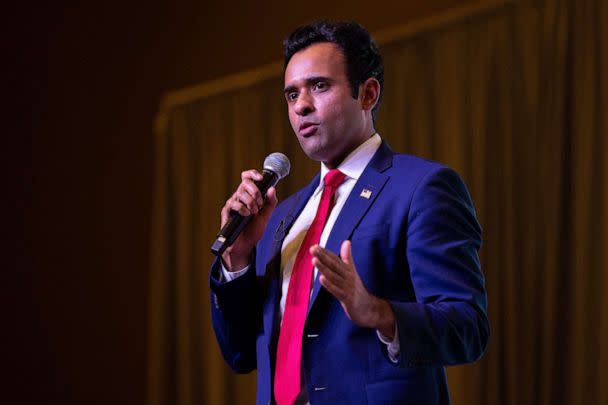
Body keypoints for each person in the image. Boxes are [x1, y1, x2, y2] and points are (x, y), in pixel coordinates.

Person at [209, 20, 489, 405]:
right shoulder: (283, 214)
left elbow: (468, 329)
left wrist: (380, 313)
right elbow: (241, 353)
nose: (301, 105)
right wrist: (237, 259)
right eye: (291, 95)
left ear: (368, 93)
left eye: (319, 86)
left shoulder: (423, 187)